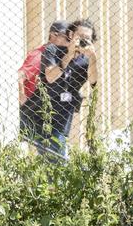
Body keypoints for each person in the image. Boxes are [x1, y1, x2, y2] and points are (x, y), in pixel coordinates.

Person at [20, 19, 99, 159]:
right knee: (53, 163)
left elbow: (94, 82)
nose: (83, 41)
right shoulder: (51, 50)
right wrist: (69, 55)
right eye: (79, 36)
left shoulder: (85, 61)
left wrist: (92, 57)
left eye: (87, 39)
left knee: (55, 164)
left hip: (59, 122)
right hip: (35, 115)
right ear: (70, 34)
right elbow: (50, 77)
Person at [17, 20, 70, 106]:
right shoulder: (39, 55)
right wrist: (24, 103)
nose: (69, 42)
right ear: (53, 35)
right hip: (35, 111)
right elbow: (19, 76)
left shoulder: (62, 57)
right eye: (67, 38)